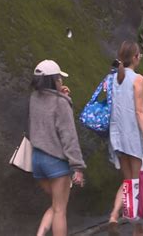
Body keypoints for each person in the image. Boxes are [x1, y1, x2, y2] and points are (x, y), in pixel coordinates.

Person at [29, 59, 86, 236]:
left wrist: (63, 97)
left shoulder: (34, 98)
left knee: (55, 204)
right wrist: (77, 167)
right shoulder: (60, 103)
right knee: (60, 210)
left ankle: (40, 234)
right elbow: (68, 136)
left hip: (37, 160)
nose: (61, 81)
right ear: (54, 80)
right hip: (55, 162)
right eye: (59, 78)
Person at [107, 40, 143, 236]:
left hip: (116, 136)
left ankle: (114, 216)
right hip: (132, 136)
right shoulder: (138, 79)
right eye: (140, 55)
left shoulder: (111, 78)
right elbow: (139, 111)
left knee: (128, 182)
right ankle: (137, 227)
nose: (141, 58)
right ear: (135, 58)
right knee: (136, 181)